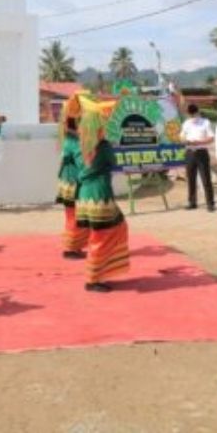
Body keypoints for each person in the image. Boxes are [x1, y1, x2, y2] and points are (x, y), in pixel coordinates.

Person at [75, 101, 130, 292]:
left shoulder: (79, 146)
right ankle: (93, 278)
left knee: (100, 235)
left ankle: (100, 272)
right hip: (100, 195)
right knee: (106, 235)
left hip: (84, 196)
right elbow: (113, 162)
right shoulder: (103, 146)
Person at [56, 94, 89, 258]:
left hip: (66, 183)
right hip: (74, 183)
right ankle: (72, 249)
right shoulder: (75, 142)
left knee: (71, 216)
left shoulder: (67, 139)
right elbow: (82, 164)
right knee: (75, 216)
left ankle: (72, 246)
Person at [179, 103, 215, 211]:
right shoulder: (186, 123)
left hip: (201, 151)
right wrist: (184, 140)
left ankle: (210, 203)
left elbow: (211, 138)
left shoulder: (205, 122)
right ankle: (192, 202)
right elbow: (182, 136)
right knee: (191, 178)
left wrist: (199, 142)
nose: (192, 117)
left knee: (206, 178)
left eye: (193, 114)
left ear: (197, 112)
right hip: (189, 152)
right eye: (190, 114)